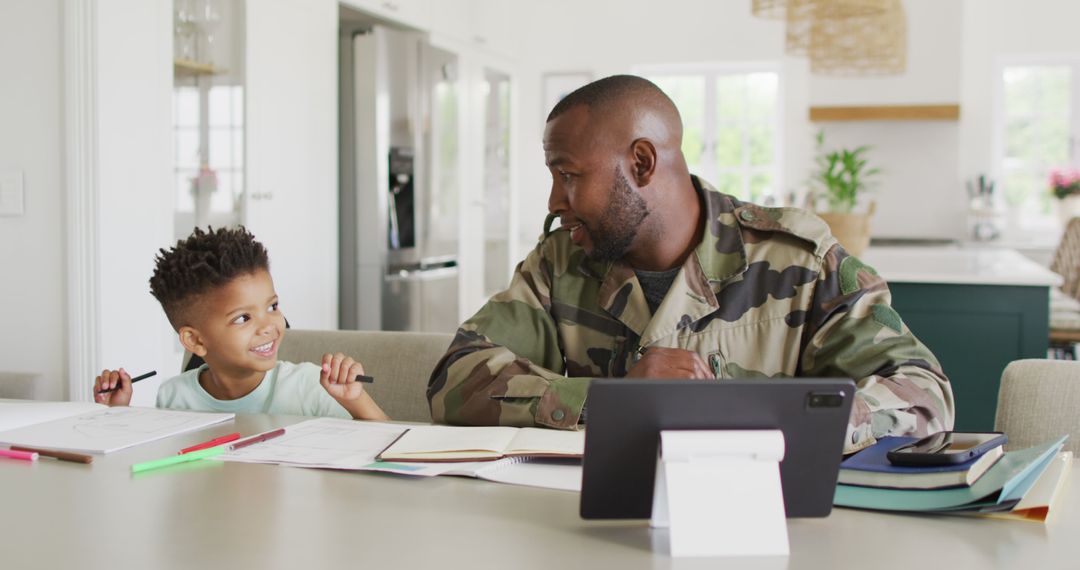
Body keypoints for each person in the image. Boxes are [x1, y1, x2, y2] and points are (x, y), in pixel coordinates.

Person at [426, 75, 953, 454]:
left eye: (567, 175)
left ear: (641, 163)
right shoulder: (561, 262)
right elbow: (454, 378)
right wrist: (606, 400)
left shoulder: (798, 259)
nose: (553, 202)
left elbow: (925, 394)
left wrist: (773, 422)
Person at [94, 226, 389, 421]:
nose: (269, 325)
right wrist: (117, 414)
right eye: (243, 318)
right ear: (195, 341)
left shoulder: (309, 387)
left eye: (272, 306)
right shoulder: (175, 396)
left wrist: (355, 400)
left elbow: (392, 443)